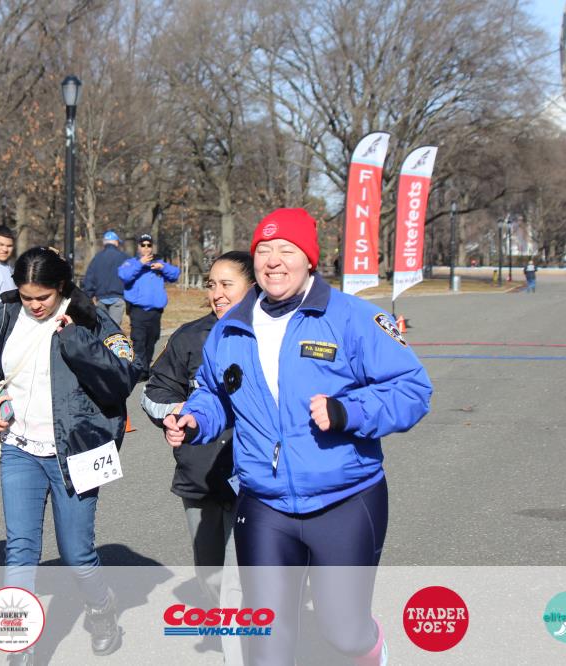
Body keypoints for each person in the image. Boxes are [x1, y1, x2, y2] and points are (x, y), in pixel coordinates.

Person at [164, 209, 432, 666]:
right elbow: (214, 392)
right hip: (263, 503)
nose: (273, 261)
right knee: (268, 643)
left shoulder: (351, 317)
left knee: (344, 634)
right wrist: (194, 419)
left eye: (286, 250)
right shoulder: (231, 327)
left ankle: (371, 649)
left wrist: (348, 411)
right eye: (264, 251)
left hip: (345, 500)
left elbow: (412, 390)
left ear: (310, 259)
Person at [0, 247, 141, 664]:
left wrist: (75, 339)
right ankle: (20, 642)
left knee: (77, 554)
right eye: (26, 296)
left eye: (43, 297)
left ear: (62, 287)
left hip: (78, 451)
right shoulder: (1, 318)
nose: (34, 305)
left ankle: (101, 608)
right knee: (20, 549)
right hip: (20, 449)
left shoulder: (90, 319)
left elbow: (123, 378)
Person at [141, 250, 254, 666]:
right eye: (211, 285)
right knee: (212, 576)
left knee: (242, 580)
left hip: (253, 479)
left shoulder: (270, 335)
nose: (217, 293)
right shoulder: (190, 337)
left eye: (227, 285)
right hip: (200, 475)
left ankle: (241, 650)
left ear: (252, 287)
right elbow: (154, 391)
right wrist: (176, 414)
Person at [118, 233, 180, 380]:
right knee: (139, 340)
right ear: (138, 247)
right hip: (138, 310)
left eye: (149, 245)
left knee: (152, 340)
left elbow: (175, 274)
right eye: (143, 245)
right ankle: (140, 370)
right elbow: (124, 275)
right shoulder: (131, 263)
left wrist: (163, 267)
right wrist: (140, 263)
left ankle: (145, 368)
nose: (146, 248)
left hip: (155, 311)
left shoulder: (159, 264)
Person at [82, 230, 128, 324]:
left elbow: (90, 278)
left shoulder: (97, 258)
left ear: (104, 243)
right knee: (114, 328)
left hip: (101, 298)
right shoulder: (124, 257)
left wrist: (89, 295)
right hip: (118, 297)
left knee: (104, 327)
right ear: (116, 242)